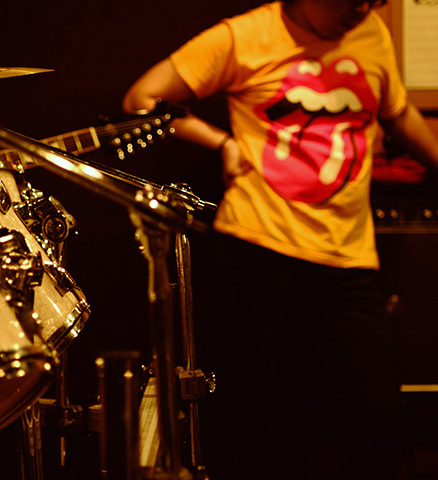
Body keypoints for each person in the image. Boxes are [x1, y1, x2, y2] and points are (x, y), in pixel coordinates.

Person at [123, 1, 438, 479]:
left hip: (349, 256)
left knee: (380, 423)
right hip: (262, 253)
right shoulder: (243, 36)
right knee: (277, 429)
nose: (362, 9)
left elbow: (397, 111)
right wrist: (222, 142)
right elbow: (142, 98)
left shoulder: (370, 30)